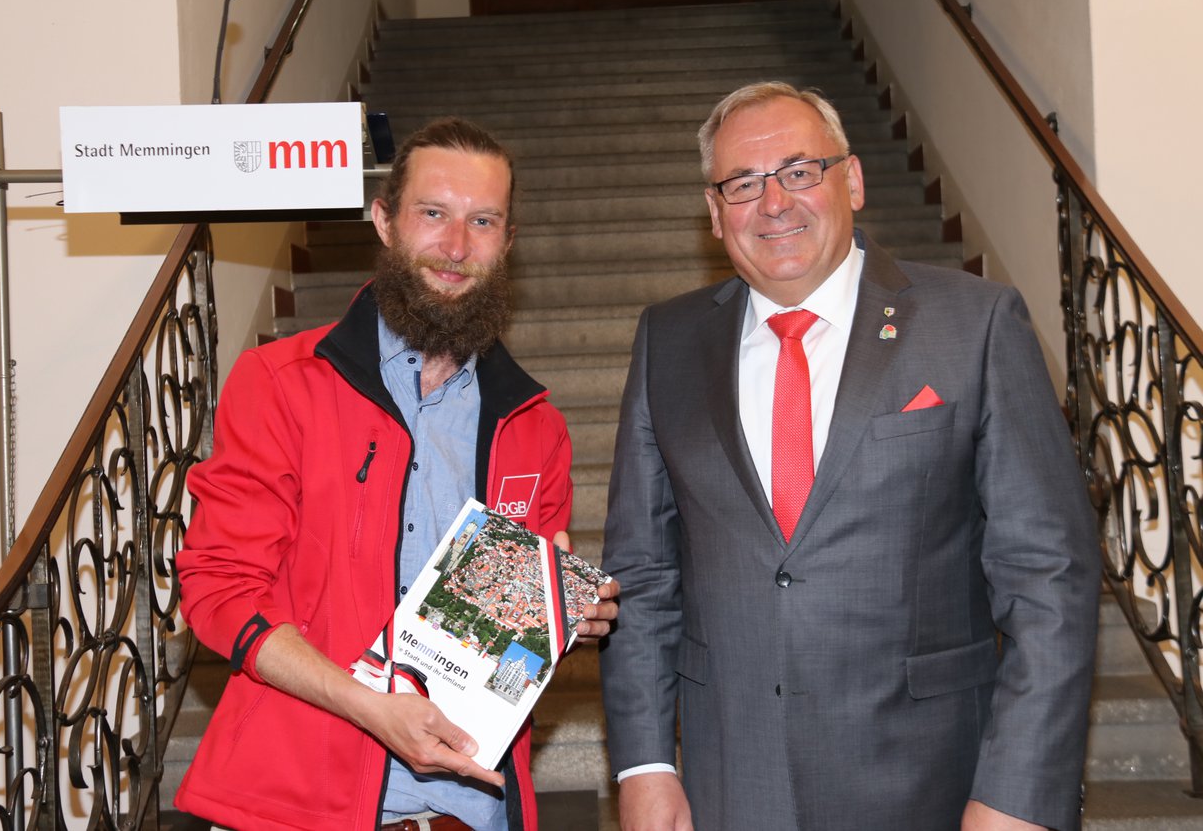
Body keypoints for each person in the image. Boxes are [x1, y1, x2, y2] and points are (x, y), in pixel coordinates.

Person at [599, 82, 1100, 831]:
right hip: (731, 787)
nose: (773, 202)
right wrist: (644, 763)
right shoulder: (667, 343)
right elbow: (642, 574)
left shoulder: (975, 325)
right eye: (743, 182)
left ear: (853, 181)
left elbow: (1049, 578)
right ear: (714, 212)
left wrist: (1015, 794)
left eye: (800, 171)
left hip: (931, 785)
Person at [173, 116, 618, 831]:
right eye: (433, 214)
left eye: (482, 221)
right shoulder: (281, 384)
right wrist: (376, 711)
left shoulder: (536, 428)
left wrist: (559, 620)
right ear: (384, 220)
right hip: (299, 806)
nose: (455, 245)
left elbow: (503, 656)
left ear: (506, 242)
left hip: (473, 812)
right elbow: (219, 589)